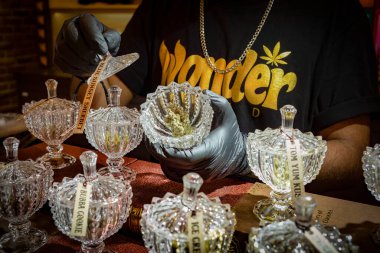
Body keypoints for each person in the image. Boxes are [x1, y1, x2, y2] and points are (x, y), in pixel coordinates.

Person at [54, 0, 380, 191]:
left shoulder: (333, 12)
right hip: (165, 198)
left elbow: (353, 156)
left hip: (267, 210)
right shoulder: (164, 5)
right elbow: (102, 106)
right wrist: (89, 66)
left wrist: (248, 157)